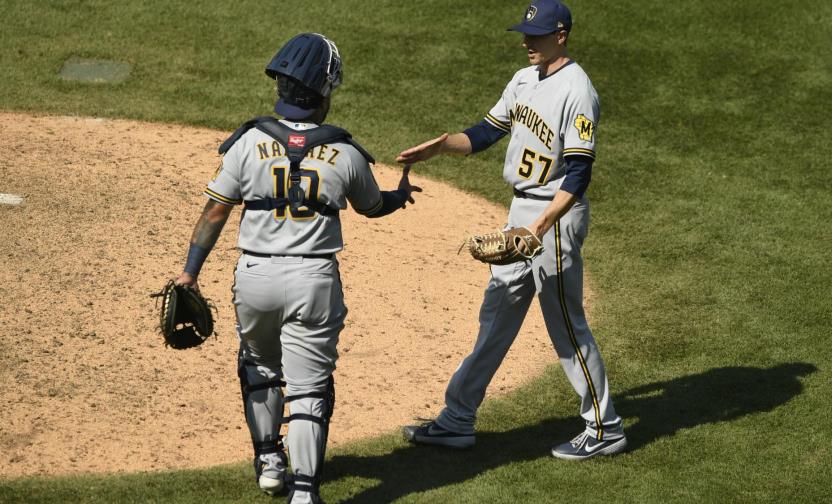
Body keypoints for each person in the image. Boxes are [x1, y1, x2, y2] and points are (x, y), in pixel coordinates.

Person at [173, 33, 421, 504]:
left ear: (282, 88)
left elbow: (213, 213)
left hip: (255, 278)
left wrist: (190, 273)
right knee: (309, 388)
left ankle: (269, 462)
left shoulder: (247, 143)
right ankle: (304, 492)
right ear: (323, 93)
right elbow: (371, 207)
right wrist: (399, 196)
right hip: (313, 282)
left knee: (259, 366)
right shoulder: (345, 152)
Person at [398, 0, 626, 460]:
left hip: (554, 217)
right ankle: (457, 419)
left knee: (564, 320)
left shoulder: (578, 91)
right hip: (520, 210)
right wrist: (441, 146)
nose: (527, 42)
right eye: (525, 33)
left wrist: (538, 229)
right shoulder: (523, 80)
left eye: (537, 35)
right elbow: (485, 132)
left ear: (561, 34)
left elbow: (579, 175)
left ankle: (605, 428)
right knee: (496, 314)